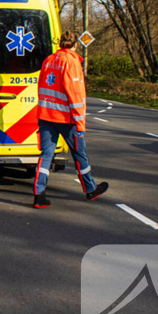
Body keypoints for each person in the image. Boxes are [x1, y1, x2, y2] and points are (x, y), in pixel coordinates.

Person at [33, 30, 109, 208]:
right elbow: (76, 96)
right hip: (66, 119)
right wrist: (80, 123)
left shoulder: (49, 60)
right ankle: (90, 189)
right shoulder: (72, 62)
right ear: (75, 44)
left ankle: (39, 194)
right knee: (79, 154)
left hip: (46, 116)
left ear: (60, 43)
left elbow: (41, 86)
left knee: (46, 155)